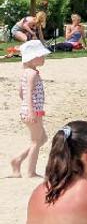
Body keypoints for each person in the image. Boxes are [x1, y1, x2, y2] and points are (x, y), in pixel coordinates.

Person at [10, 41, 50, 178]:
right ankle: (31, 172)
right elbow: (28, 94)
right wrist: (31, 111)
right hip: (33, 112)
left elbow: (21, 93)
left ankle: (18, 160)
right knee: (36, 142)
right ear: (32, 58)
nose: (44, 58)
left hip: (28, 110)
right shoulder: (32, 74)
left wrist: (26, 107)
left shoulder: (25, 73)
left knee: (42, 138)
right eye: (41, 56)